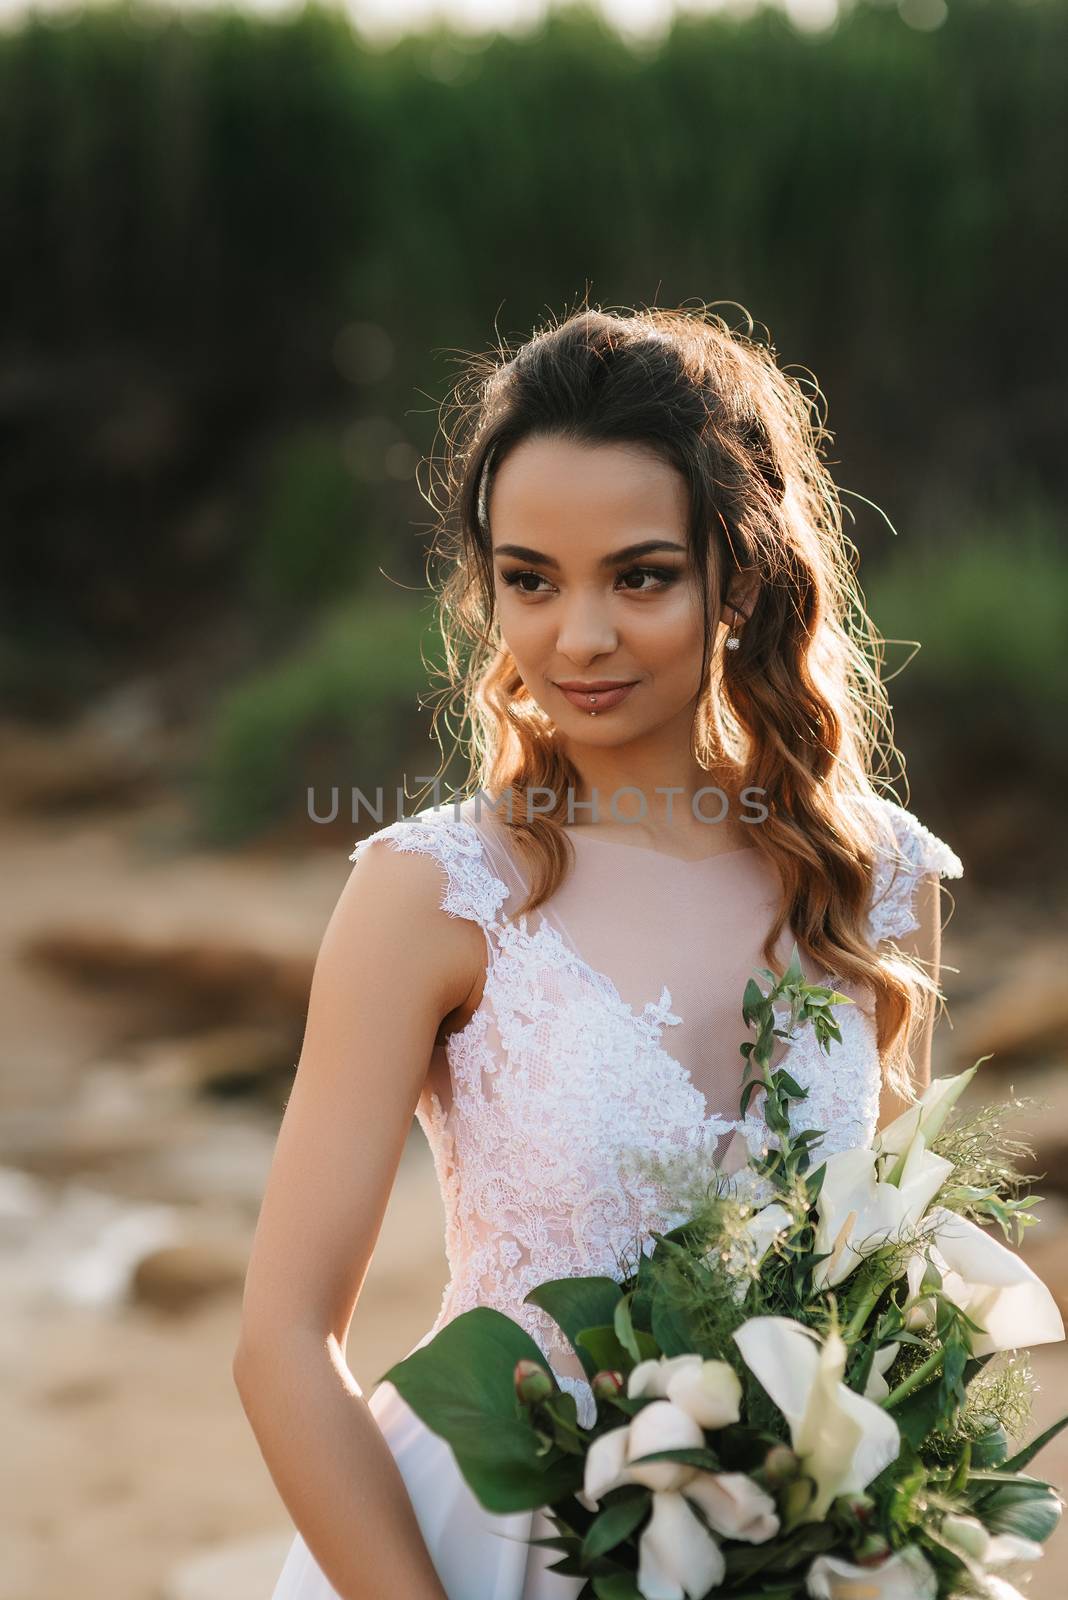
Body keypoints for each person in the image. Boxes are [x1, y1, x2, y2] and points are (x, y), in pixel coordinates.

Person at [233, 305, 964, 1599]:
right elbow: (282, 1344)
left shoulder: (876, 874)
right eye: (531, 579)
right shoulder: (435, 891)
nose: (578, 636)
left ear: (740, 577)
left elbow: (871, 1286)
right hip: (488, 1549)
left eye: (639, 576)